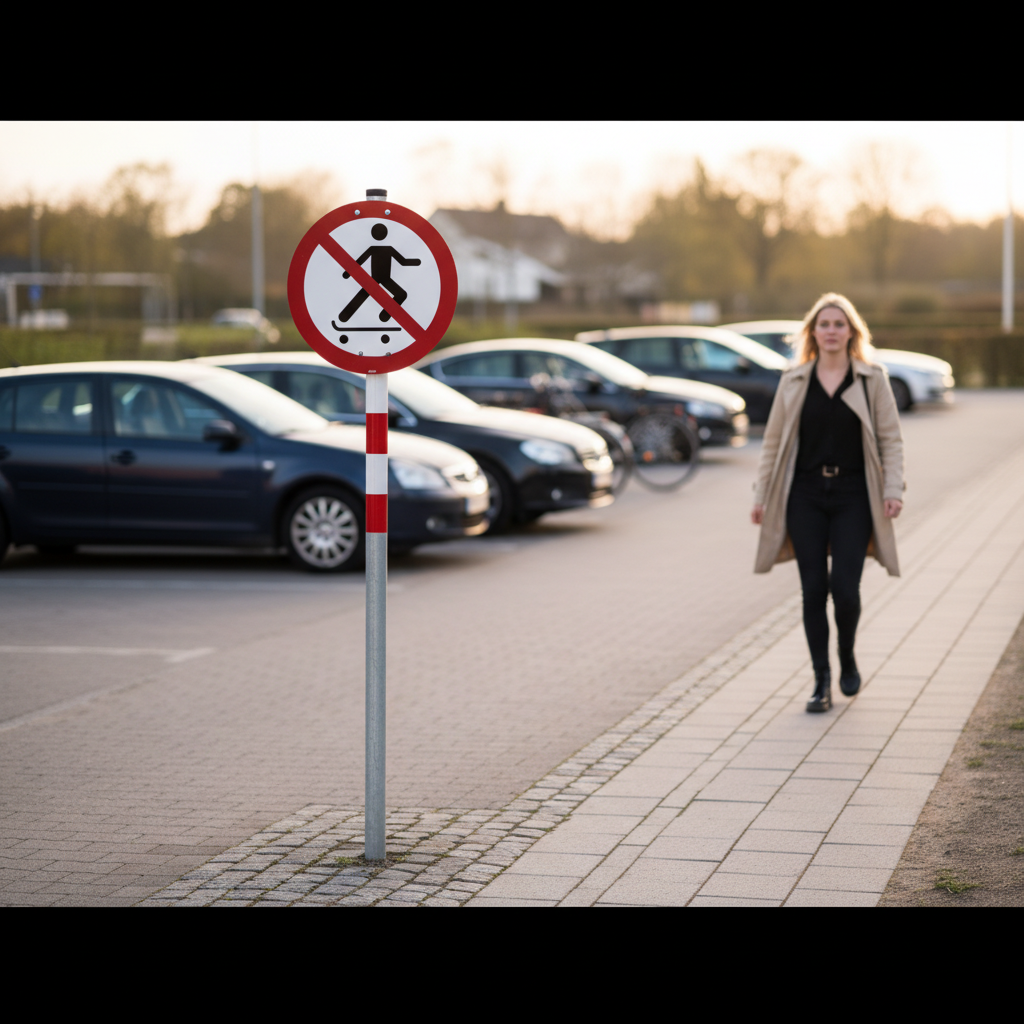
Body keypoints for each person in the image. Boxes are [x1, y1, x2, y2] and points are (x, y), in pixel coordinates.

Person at [751, 293, 904, 713]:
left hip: (855, 494)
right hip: (805, 494)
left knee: (845, 589)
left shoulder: (872, 378)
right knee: (813, 589)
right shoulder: (794, 380)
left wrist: (893, 490)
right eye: (824, 324)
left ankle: (847, 657)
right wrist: (761, 495)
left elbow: (891, 439)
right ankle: (821, 679)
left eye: (840, 324)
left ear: (852, 331)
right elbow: (772, 443)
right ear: (812, 333)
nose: (832, 330)